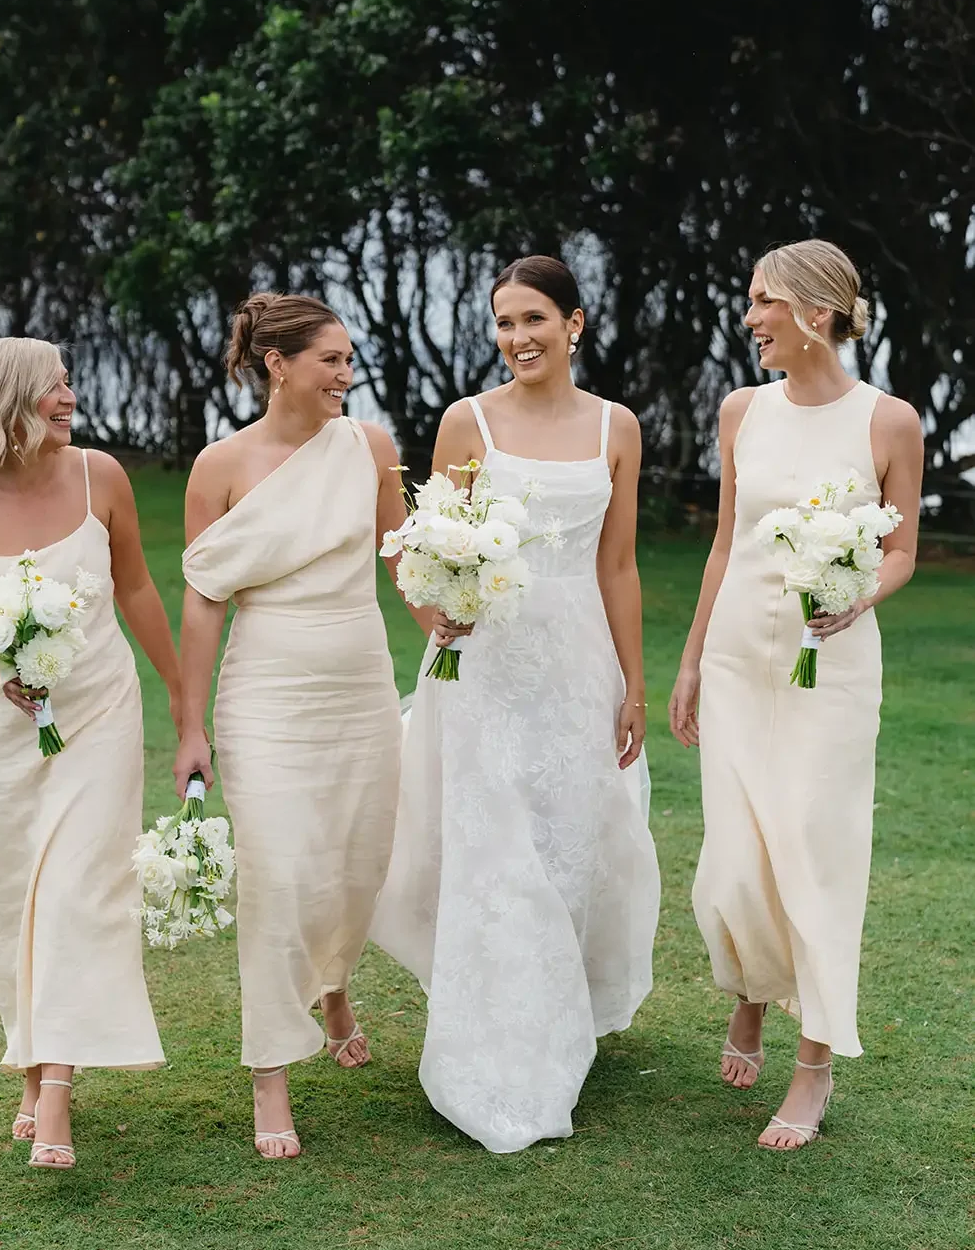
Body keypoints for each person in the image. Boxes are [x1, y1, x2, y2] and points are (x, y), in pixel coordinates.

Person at [372, 255, 660, 1153]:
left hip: (577, 668)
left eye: (533, 318)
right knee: (490, 853)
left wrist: (634, 682)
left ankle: (555, 1029)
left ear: (574, 323)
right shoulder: (469, 422)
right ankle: (486, 1054)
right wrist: (436, 617)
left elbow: (617, 564)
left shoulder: (618, 427)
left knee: (566, 851)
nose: (517, 337)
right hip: (483, 667)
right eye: (503, 322)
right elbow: (420, 547)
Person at [668, 239, 923, 1149]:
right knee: (737, 856)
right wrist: (693, 659)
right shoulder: (741, 409)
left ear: (815, 311)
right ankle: (751, 991)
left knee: (815, 854)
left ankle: (811, 1065)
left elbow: (900, 550)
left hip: (834, 671)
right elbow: (724, 542)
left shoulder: (888, 420)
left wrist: (862, 595)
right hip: (740, 656)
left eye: (762, 303)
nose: (749, 319)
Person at [0, 337, 180, 1169]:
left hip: (99, 711)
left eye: (69, 382)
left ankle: (57, 1089)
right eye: (52, 386)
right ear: (8, 399)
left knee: (77, 893)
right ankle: (32, 1058)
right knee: (8, 899)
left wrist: (181, 697)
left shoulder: (103, 477)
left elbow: (136, 586)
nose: (69, 396)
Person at [175, 292, 406, 1160]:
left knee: (353, 864)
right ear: (278, 365)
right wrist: (190, 725)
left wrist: (449, 615)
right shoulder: (218, 466)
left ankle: (335, 986)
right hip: (266, 694)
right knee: (279, 873)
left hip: (360, 691)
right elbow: (202, 603)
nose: (347, 375)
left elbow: (404, 562)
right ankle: (271, 1074)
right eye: (331, 361)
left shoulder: (369, 447)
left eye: (349, 361)